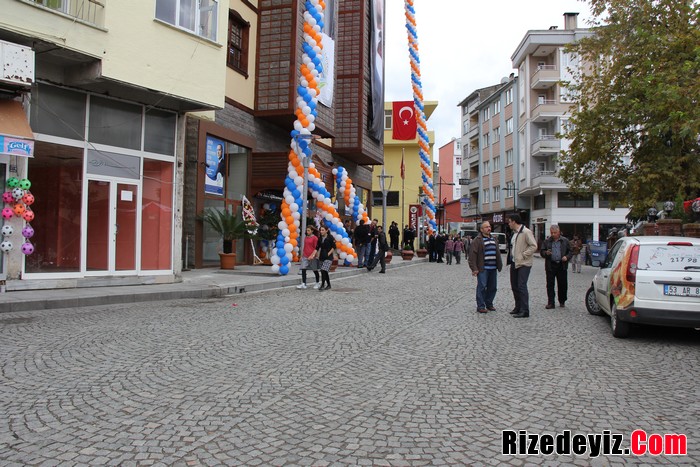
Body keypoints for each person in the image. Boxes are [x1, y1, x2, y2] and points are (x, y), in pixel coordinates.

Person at [507, 214, 538, 318]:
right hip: (514, 262)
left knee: (521, 286)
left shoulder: (526, 232)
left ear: (514, 221)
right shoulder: (515, 233)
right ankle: (518, 307)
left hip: (524, 263)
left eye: (510, 221)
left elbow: (533, 245)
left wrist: (524, 254)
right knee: (514, 286)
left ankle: (525, 310)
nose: (509, 224)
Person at [468, 221, 503, 313]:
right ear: (481, 229)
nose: (489, 228)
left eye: (489, 226)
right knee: (482, 287)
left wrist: (499, 264)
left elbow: (497, 253)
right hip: (483, 268)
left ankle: (489, 303)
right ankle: (480, 306)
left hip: (493, 268)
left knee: (493, 287)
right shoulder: (477, 240)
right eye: (486, 227)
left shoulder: (493, 238)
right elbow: (472, 255)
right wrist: (474, 268)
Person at [541, 225, 571, 308]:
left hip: (562, 265)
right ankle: (551, 302)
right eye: (552, 233)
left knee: (562, 284)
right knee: (550, 284)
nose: (553, 234)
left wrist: (567, 257)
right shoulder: (547, 241)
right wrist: (546, 253)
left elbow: (570, 252)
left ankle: (562, 300)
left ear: (559, 232)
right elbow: (542, 251)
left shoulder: (565, 241)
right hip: (551, 265)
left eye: (555, 233)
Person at [317, 225, 336, 290]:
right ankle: (329, 285)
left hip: (328, 257)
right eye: (320, 230)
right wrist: (315, 254)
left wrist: (328, 254)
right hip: (322, 256)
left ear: (326, 230)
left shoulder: (330, 237)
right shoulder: (320, 238)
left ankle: (322, 285)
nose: (321, 231)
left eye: (322, 230)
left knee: (323, 270)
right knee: (324, 271)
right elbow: (317, 247)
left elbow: (334, 247)